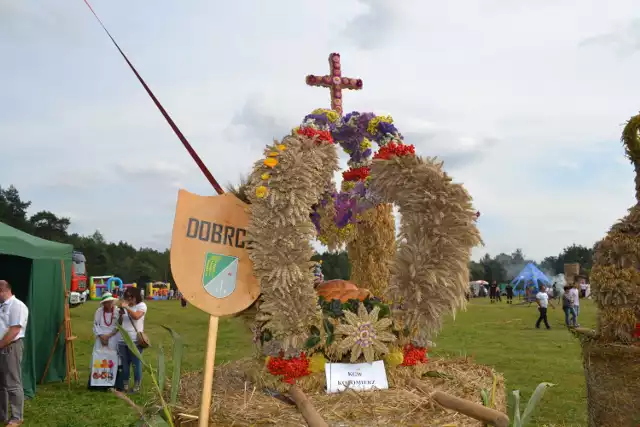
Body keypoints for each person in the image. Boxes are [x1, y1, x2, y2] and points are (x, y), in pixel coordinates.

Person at [0, 280, 29, 426]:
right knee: (2, 383)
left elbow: (14, 330)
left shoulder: (17, 306)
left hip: (11, 347)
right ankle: (2, 414)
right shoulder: (2, 307)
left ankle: (17, 417)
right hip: (1, 347)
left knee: (12, 382)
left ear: (3, 290)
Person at [116, 287, 147, 393]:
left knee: (136, 364)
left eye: (131, 296)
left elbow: (136, 316)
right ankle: (125, 385)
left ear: (136, 296)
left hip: (135, 340)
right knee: (125, 364)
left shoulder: (141, 306)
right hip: (122, 340)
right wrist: (120, 314)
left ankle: (137, 386)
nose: (129, 299)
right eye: (127, 296)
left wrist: (127, 308)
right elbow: (120, 323)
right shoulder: (125, 307)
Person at [90, 292, 120, 390]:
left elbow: (118, 326)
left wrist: (109, 335)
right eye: (107, 302)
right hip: (101, 336)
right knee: (99, 358)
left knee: (113, 358)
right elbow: (95, 325)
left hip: (113, 337)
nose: (109, 304)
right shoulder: (99, 311)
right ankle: (98, 382)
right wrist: (101, 336)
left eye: (110, 302)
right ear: (103, 304)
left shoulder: (117, 311)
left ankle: (112, 382)